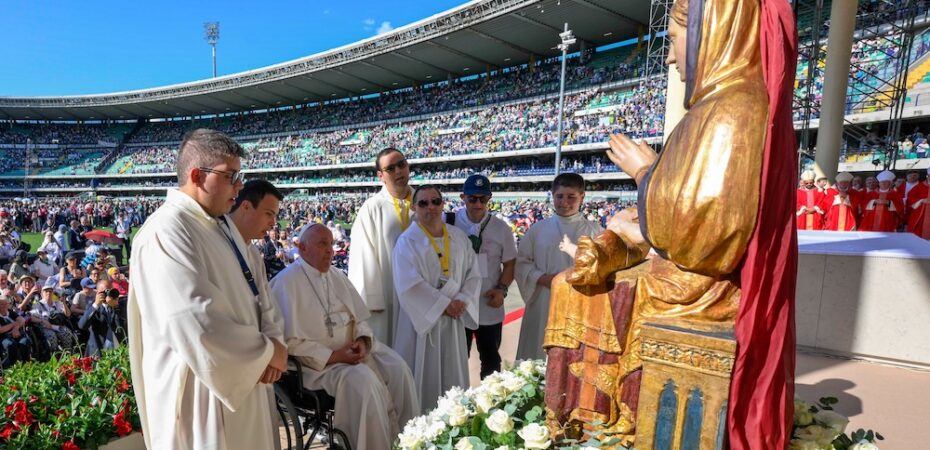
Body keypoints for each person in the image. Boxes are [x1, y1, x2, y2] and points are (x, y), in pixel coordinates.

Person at [127, 128, 287, 450]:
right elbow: (193, 319)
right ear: (198, 176)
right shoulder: (164, 232)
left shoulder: (223, 224)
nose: (239, 187)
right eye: (231, 176)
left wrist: (274, 340)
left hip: (251, 374)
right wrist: (267, 352)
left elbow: (259, 291)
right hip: (204, 393)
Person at [271, 223, 419, 450]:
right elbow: (288, 343)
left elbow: (359, 319)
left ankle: (410, 443)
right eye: (322, 244)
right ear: (301, 248)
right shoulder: (285, 283)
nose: (330, 250)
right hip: (318, 368)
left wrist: (362, 341)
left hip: (353, 354)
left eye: (331, 244)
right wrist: (334, 356)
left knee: (398, 369)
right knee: (363, 381)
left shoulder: (337, 276)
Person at [392, 184, 481, 411]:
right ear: (414, 207)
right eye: (423, 203)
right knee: (424, 381)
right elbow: (408, 285)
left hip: (452, 323)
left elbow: (474, 274)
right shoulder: (406, 242)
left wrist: (462, 300)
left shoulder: (459, 237)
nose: (430, 207)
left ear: (443, 204)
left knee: (453, 383)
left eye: (435, 201)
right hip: (422, 326)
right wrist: (444, 305)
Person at [514, 173, 603, 360]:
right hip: (544, 299)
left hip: (580, 300)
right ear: (552, 196)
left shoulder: (596, 231)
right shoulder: (538, 230)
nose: (564, 202)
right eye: (559, 196)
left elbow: (603, 266)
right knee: (539, 353)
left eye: (571, 196)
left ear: (582, 197)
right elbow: (522, 263)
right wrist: (543, 278)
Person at [449, 174, 516, 379]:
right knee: (457, 360)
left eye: (483, 199)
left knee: (491, 362)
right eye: (472, 199)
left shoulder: (501, 227)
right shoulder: (448, 223)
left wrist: (502, 290)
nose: (478, 204)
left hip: (489, 304)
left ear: (489, 198)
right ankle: (456, 405)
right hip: (458, 305)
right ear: (463, 197)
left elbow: (511, 263)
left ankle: (491, 407)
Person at [348, 148, 414, 346]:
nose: (398, 171)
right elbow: (362, 258)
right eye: (390, 168)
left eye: (401, 164)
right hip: (388, 296)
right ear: (381, 175)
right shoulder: (371, 208)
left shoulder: (425, 202)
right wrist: (372, 299)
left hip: (422, 295)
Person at [78, 280, 125, 356]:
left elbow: (122, 326)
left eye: (110, 290)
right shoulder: (93, 308)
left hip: (118, 350)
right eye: (106, 291)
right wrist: (96, 305)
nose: (108, 294)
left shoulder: (119, 306)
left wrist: (115, 307)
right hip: (99, 350)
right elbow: (82, 325)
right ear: (98, 293)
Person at [30, 281, 75, 352]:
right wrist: (42, 321)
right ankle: (54, 356)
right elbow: (32, 318)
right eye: (46, 291)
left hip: (57, 325)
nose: (48, 293)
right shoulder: (38, 304)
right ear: (42, 294)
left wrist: (64, 303)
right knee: (52, 336)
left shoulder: (58, 303)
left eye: (50, 291)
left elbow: (68, 314)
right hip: (45, 327)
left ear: (52, 293)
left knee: (67, 333)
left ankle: (67, 353)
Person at [0, 294, 31, 367]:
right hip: (3, 337)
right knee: (10, 344)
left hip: (17, 334)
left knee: (25, 341)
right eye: (1, 304)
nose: (4, 306)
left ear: (8, 305)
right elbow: (1, 330)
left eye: (5, 304)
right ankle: (12, 367)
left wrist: (16, 328)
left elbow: (22, 320)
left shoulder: (10, 312)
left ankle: (25, 365)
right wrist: (14, 324)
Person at [906, 168, 930, 239]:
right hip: (921, 216)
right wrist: (922, 200)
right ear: (928, 176)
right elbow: (910, 197)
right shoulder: (919, 186)